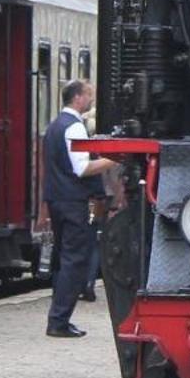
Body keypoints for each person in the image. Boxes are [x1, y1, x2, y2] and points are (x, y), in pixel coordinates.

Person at [41, 79, 116, 339]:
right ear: (78, 98)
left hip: (57, 198)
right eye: (89, 95)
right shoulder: (74, 127)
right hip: (73, 202)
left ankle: (58, 317)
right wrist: (113, 159)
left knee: (63, 258)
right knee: (74, 260)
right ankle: (59, 320)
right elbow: (82, 168)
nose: (92, 100)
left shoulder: (54, 126)